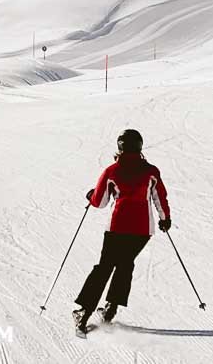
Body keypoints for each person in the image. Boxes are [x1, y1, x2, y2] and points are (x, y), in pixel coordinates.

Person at [72, 128, 170, 334]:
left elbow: (99, 201)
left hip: (117, 228)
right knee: (125, 264)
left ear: (120, 147)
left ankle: (84, 312)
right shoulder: (151, 171)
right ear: (140, 146)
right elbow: (159, 197)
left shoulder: (112, 171)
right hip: (142, 231)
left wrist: (90, 195)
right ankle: (110, 309)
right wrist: (165, 219)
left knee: (105, 266)